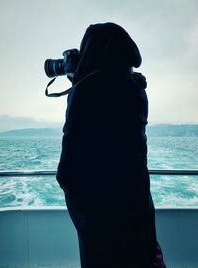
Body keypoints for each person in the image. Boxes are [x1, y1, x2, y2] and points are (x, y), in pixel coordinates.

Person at [56, 22, 166, 268]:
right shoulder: (136, 91)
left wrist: (77, 82)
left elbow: (68, 171)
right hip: (137, 212)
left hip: (103, 225)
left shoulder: (86, 91)